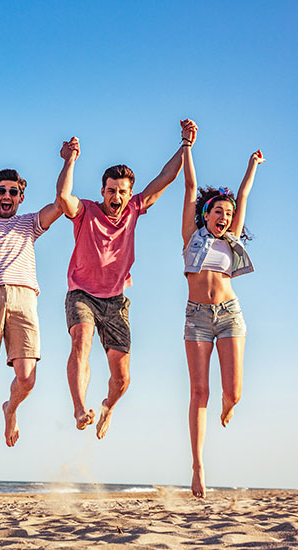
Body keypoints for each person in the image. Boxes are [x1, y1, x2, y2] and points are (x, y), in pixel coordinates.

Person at [55, 120, 198, 439]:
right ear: (102, 190)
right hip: (81, 294)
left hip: (116, 301)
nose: (115, 197)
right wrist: (70, 160)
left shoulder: (135, 208)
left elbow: (166, 178)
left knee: (121, 379)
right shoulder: (86, 211)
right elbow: (64, 196)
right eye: (110, 190)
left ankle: (108, 407)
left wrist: (186, 144)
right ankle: (80, 409)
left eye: (122, 191)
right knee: (81, 340)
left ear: (129, 193)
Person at [0, 166, 63, 479]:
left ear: (20, 197)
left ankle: (10, 409)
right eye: (1, 191)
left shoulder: (29, 223)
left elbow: (60, 204)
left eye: (12, 192)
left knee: (27, 378)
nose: (6, 196)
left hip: (23, 300)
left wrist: (68, 160)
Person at [181, 127, 264, 497]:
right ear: (206, 213)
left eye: (229, 215)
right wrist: (187, 147)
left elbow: (244, 193)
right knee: (199, 392)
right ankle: (198, 468)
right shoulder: (191, 237)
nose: (225, 218)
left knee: (235, 393)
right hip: (197, 318)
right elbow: (189, 186)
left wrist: (252, 166)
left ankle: (228, 407)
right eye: (219, 212)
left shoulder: (232, 240)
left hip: (230, 315)